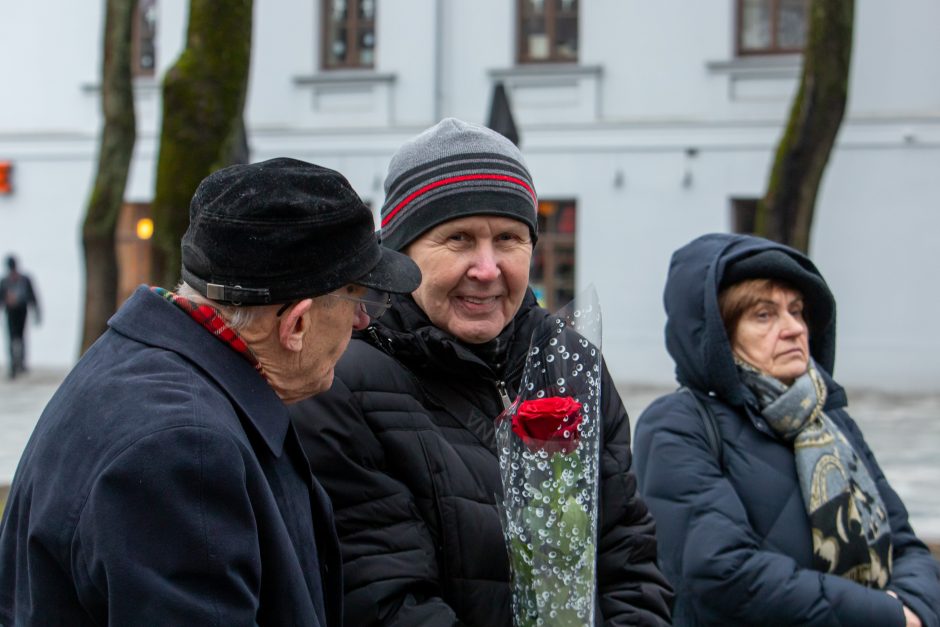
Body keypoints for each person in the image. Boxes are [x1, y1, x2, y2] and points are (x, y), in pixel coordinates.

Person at [0, 157, 421, 625]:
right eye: (358, 299)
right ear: (297, 323)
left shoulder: (139, 369)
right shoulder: (186, 450)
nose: (363, 321)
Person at [289, 118, 674, 626]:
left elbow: (629, 557)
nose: (488, 268)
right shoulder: (339, 381)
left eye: (510, 239)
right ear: (401, 254)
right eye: (459, 239)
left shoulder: (571, 363)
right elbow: (383, 598)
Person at [634, 232, 940, 626]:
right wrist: (887, 617)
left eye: (796, 311)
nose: (794, 328)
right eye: (764, 315)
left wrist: (915, 609)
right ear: (719, 336)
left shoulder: (831, 421)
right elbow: (723, 572)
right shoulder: (676, 425)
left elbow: (906, 545)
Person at [0, 255, 41, 379]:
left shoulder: (24, 279)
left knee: (21, 337)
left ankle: (21, 363)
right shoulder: (5, 281)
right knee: (12, 338)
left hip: (22, 311)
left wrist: (36, 313)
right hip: (10, 313)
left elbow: (32, 296)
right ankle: (13, 365)